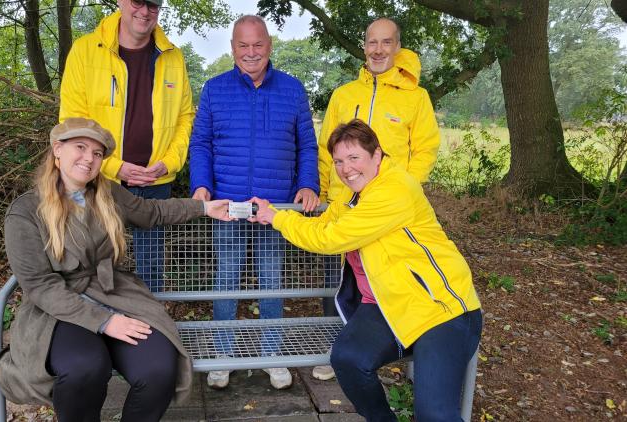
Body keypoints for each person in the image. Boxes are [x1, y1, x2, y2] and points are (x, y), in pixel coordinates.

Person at [0, 118, 230, 422]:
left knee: (159, 371)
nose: (89, 158)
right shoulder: (25, 211)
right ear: (57, 150)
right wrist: (105, 322)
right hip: (58, 310)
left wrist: (205, 208)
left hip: (114, 294)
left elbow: (152, 212)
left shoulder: (109, 194)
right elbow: (40, 286)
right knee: (85, 368)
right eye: (80, 147)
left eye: (98, 153)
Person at [251, 119, 482, 421]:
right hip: (387, 305)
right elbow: (323, 224)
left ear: (377, 155)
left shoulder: (394, 189)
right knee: (348, 359)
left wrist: (277, 219)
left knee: (435, 414)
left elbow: (330, 238)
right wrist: (275, 215)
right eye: (338, 161)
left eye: (354, 158)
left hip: (439, 309)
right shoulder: (351, 193)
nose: (346, 169)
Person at [188, 15, 320, 390]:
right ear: (232, 48)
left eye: (257, 44)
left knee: (271, 282)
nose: (251, 52)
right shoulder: (214, 90)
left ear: (269, 45)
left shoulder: (293, 90)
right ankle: (223, 355)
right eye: (243, 46)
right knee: (226, 281)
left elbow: (306, 145)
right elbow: (200, 144)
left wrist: (308, 183)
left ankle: (273, 355)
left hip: (274, 208)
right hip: (227, 207)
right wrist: (201, 185)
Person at [312, 17, 441, 381]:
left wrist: (400, 195)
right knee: (337, 281)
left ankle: (393, 347)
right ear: (364, 46)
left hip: (390, 213)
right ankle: (336, 351)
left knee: (389, 278)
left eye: (387, 42)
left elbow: (425, 150)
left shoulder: (416, 97)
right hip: (343, 206)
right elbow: (326, 151)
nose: (379, 50)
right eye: (373, 42)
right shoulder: (344, 95)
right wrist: (323, 193)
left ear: (397, 47)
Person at [59, 0, 194, 292]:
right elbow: (71, 124)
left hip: (155, 181)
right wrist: (114, 166)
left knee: (152, 265)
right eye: (137, 2)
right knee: (94, 262)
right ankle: (100, 326)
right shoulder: (85, 51)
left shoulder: (174, 56)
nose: (144, 11)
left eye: (153, 5)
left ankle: (150, 324)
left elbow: (185, 118)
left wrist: (169, 162)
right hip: (98, 180)